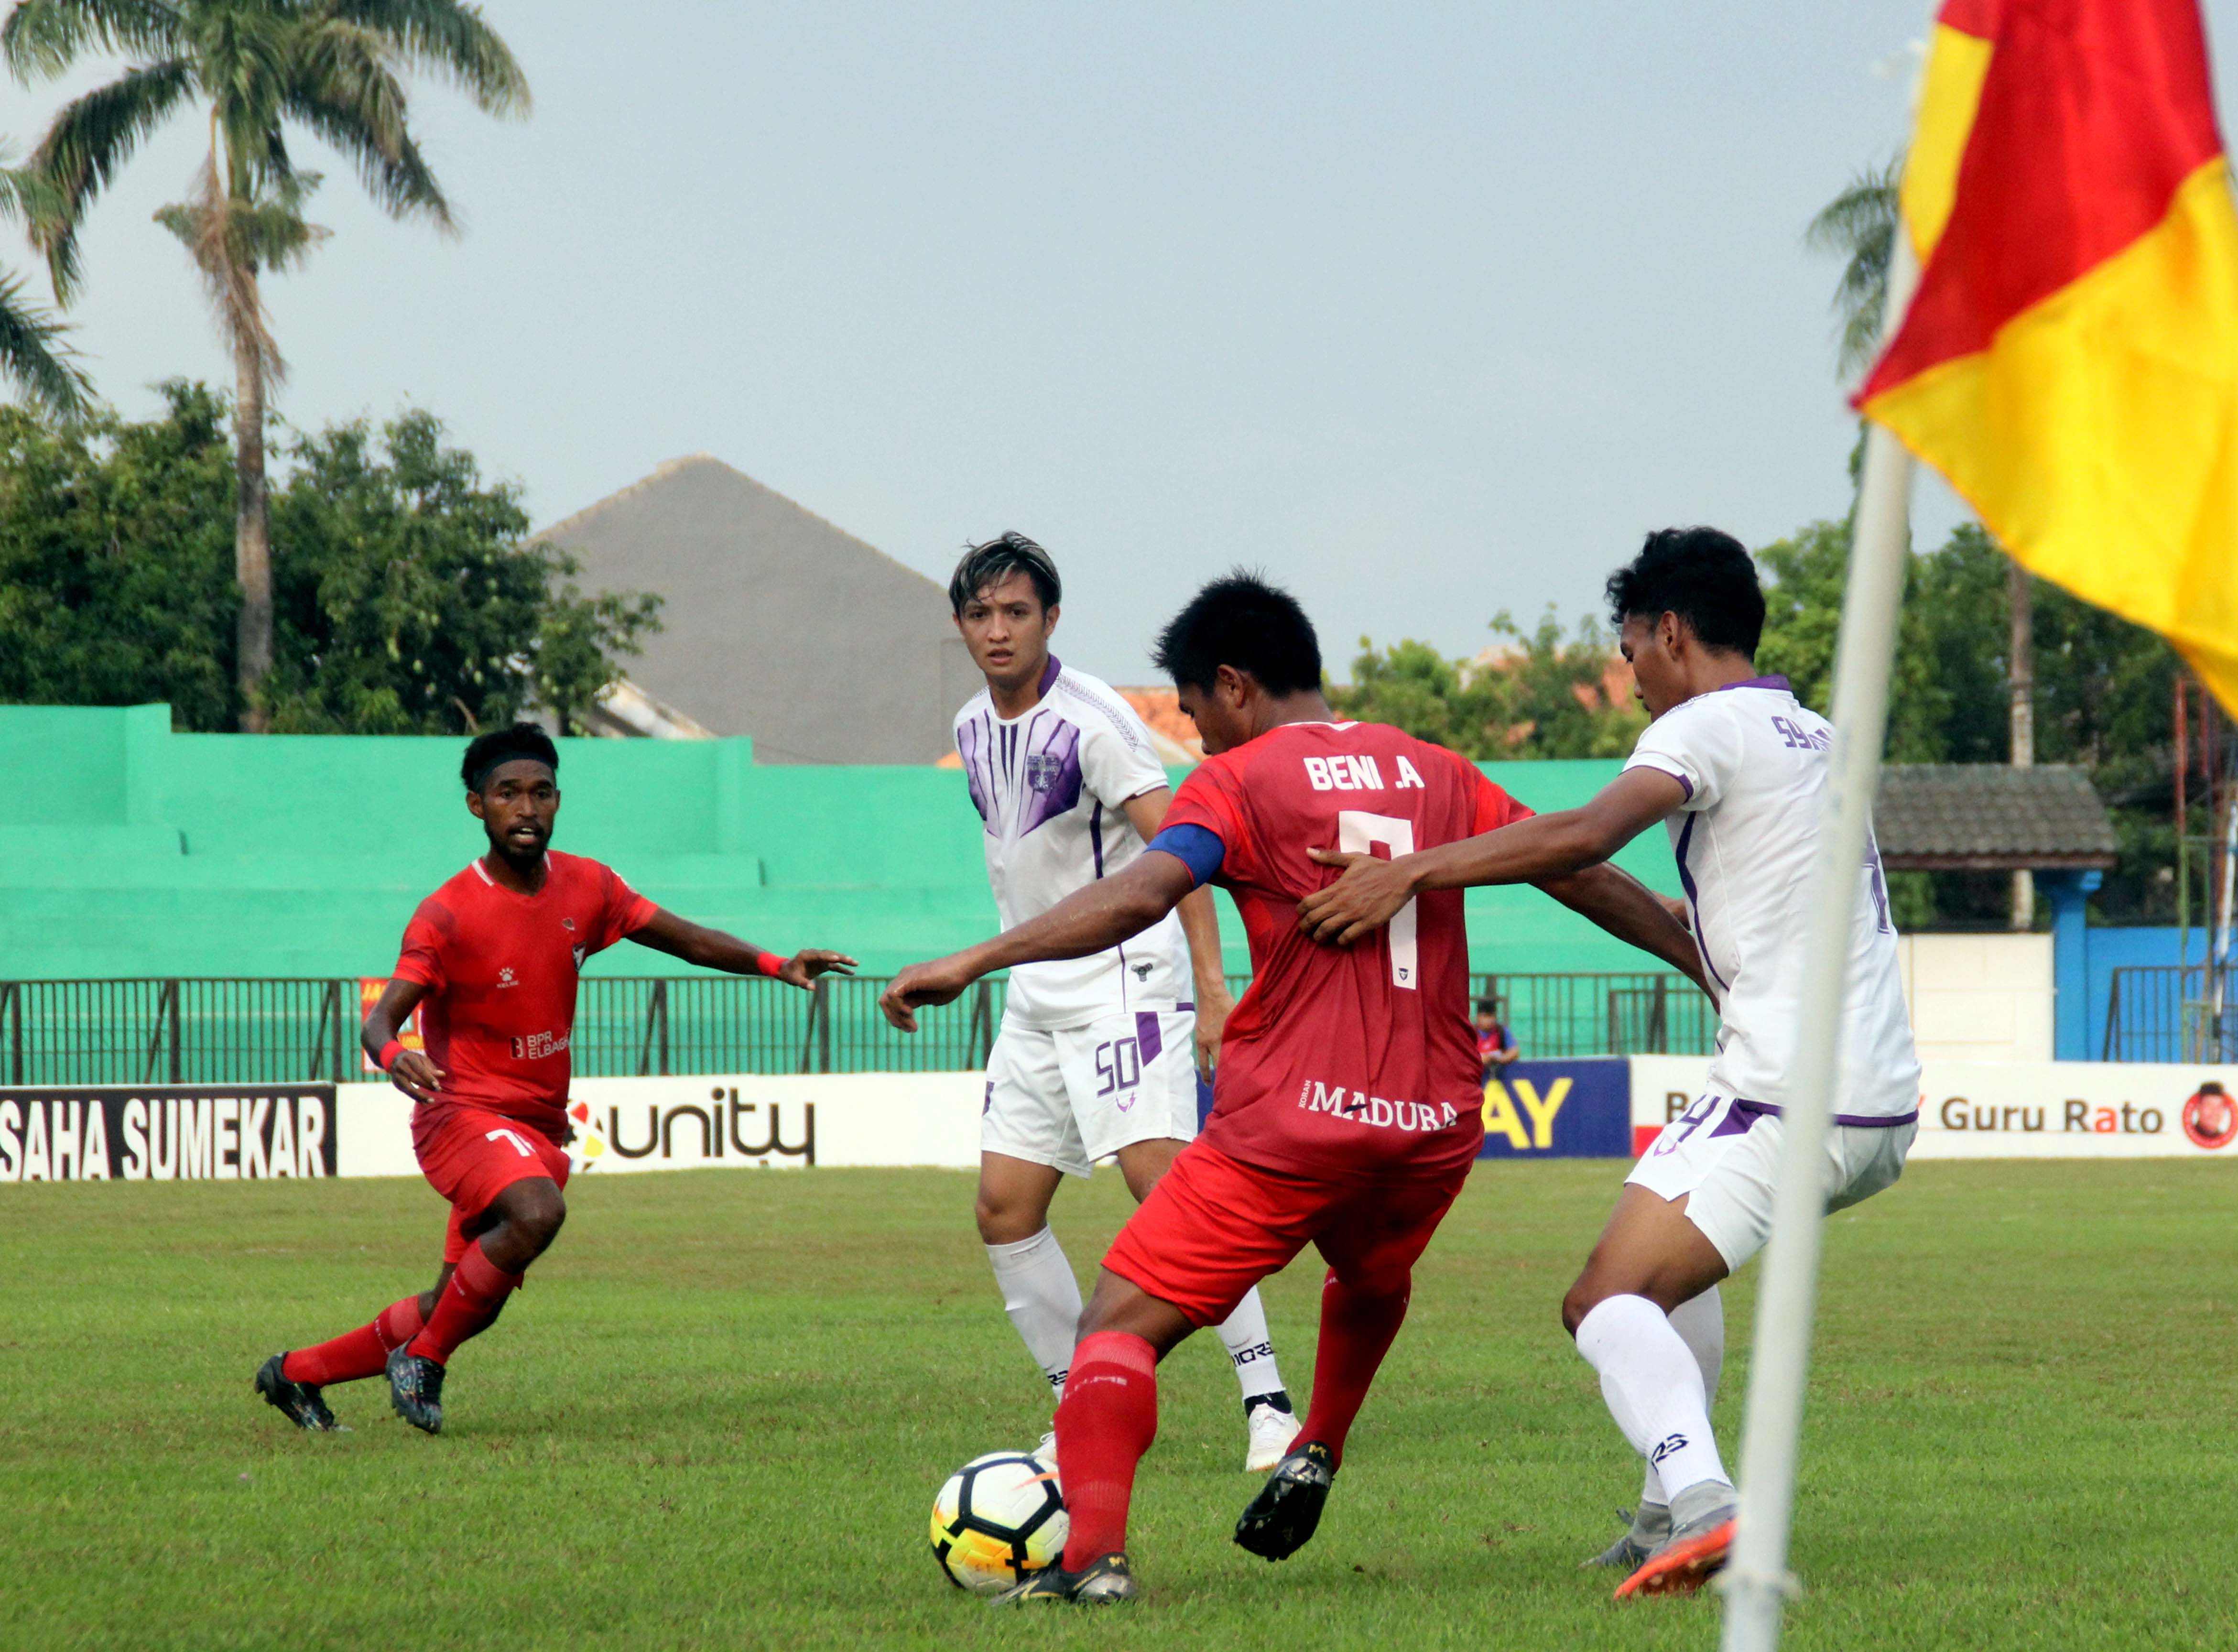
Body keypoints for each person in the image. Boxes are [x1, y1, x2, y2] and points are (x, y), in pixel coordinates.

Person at [882, 573, 1702, 1605]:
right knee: (1366, 1276)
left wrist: (976, 959)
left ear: (1234, 685)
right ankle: (1318, 1442)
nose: (1197, 735)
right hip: (1432, 1126)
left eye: (1193, 711)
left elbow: (1143, 890)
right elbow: (1583, 871)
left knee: (1117, 1330)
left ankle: (1091, 1562)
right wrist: (1703, 963)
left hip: (1290, 1129)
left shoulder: (1242, 781)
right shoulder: (1439, 769)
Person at [1298, 526, 1922, 1599]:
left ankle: (1710, 1507)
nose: (1628, 676)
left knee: (1600, 1302)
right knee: (1672, 1266)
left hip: (1787, 1092)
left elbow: (1589, 835)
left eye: (1628, 647)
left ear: (1669, 631)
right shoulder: (1811, 731)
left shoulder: (1709, 726)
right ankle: (1655, 1516)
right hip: (1874, 1097)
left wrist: (1411, 872)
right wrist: (1702, 956)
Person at [253, 723, 853, 1436]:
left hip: (535, 1127)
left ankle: (296, 1374)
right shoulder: (447, 915)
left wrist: (773, 964)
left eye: (540, 794)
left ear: (559, 801)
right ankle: (424, 1359)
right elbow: (380, 1021)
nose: (526, 809)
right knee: (536, 1216)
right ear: (478, 806)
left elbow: (682, 937)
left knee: (456, 1296)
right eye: (508, 794)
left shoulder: (588, 885)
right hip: (461, 1118)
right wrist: (393, 1056)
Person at [945, 532, 1298, 1473]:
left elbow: (1185, 856)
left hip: (1124, 980)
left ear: (1051, 618)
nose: (998, 629)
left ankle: (1269, 1399)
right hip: (1037, 989)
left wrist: (1215, 993)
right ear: (961, 627)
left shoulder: (1094, 720)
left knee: (1168, 1190)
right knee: (1003, 1206)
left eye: (1016, 611)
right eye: (980, 614)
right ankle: (1079, 1406)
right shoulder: (970, 726)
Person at [1474, 999, 1520, 1074]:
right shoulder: (1472, 1033)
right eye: (1485, 1017)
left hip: (1499, 1076)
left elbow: (1514, 1051)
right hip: (1476, 1076)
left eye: (1492, 1016)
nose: (1489, 1020)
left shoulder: (1502, 1031)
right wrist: (1480, 1060)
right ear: (1478, 1017)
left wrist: (1500, 1060)